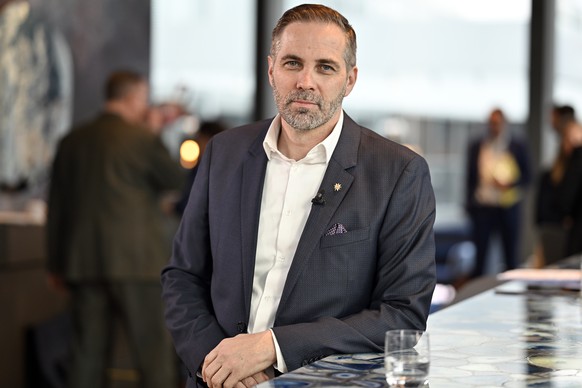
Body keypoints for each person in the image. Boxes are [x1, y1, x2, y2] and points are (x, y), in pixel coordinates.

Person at [161, 4, 436, 388]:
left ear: (350, 80)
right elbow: (182, 277)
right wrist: (218, 362)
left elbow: (401, 316)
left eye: (325, 67)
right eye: (292, 63)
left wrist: (270, 348)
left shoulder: (398, 173)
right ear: (271, 69)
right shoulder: (223, 153)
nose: (306, 81)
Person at [47, 70, 184, 388]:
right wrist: (154, 131)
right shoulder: (141, 138)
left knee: (86, 356)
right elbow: (175, 181)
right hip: (137, 261)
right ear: (135, 97)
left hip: (82, 263)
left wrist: (55, 264)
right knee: (152, 356)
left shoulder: (72, 141)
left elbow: (57, 207)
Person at [465, 108, 531, 278]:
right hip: (483, 208)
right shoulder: (477, 146)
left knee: (510, 258)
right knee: (480, 259)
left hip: (507, 208)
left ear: (504, 124)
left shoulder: (517, 145)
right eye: (491, 123)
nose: (493, 127)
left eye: (497, 123)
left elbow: (527, 176)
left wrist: (509, 184)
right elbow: (469, 178)